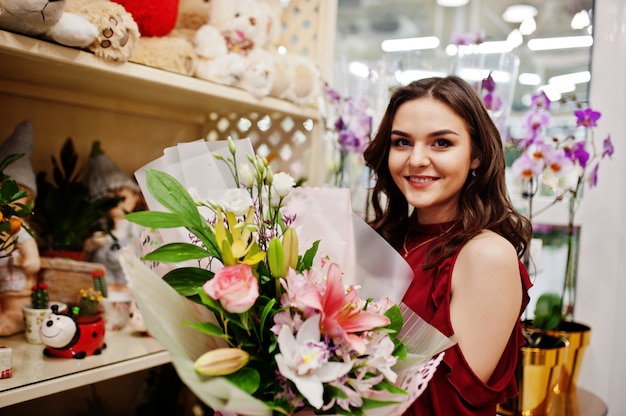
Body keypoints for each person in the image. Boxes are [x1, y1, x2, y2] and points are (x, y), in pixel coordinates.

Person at [363, 76, 533, 415]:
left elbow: (446, 404)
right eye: (402, 142)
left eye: (441, 143)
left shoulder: (486, 256)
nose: (417, 160)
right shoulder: (386, 240)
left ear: (477, 157)